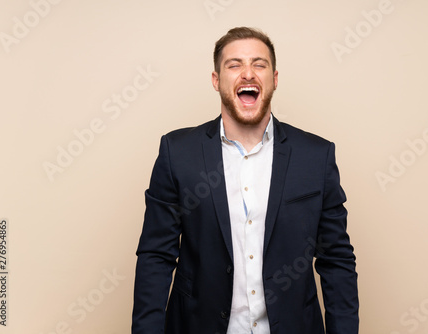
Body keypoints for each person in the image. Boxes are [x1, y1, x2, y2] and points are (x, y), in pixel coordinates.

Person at [132, 27, 359, 334]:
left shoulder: (316, 156)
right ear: (216, 80)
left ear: (274, 79)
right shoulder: (178, 152)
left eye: (259, 64)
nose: (248, 73)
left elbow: (336, 261)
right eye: (234, 64)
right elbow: (155, 257)